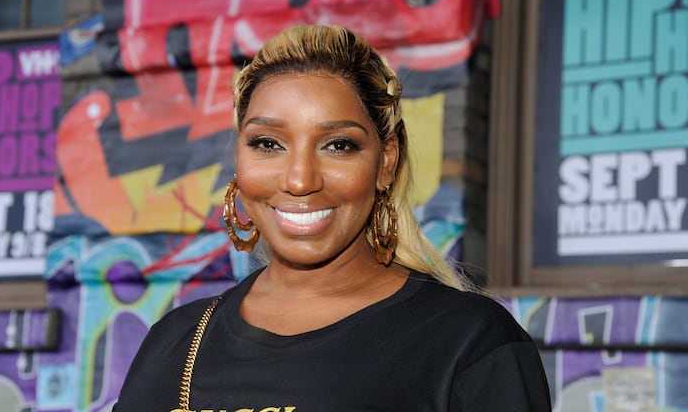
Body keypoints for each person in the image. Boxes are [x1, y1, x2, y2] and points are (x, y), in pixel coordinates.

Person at [113, 25, 552, 411]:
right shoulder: (174, 338)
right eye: (268, 143)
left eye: (338, 145)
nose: (300, 180)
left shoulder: (470, 344)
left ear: (385, 163)